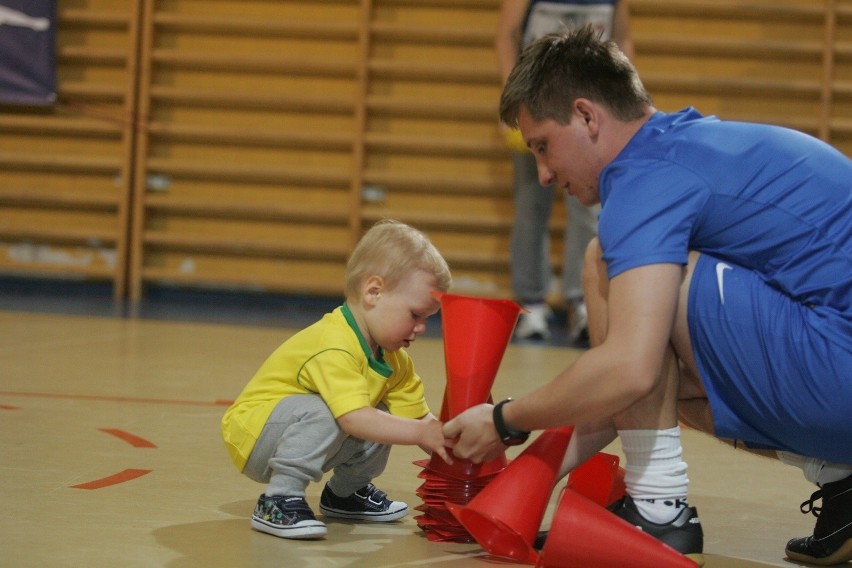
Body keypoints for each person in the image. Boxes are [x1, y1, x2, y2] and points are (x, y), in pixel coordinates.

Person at [445, 26, 852, 567]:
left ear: (588, 117)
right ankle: (844, 480)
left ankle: (660, 511)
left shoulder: (644, 180)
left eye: (543, 146)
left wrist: (503, 420)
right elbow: (637, 395)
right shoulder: (684, 144)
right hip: (834, 356)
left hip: (839, 365)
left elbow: (628, 371)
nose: (543, 173)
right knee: (664, 377)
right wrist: (526, 475)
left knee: (608, 274)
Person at [221, 219, 454, 540]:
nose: (421, 328)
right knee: (339, 412)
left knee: (384, 417)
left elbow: (418, 421)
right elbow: (354, 419)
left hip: (298, 433)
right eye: (415, 315)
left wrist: (454, 451)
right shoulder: (335, 344)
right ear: (374, 292)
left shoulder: (395, 360)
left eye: (427, 320)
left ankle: (344, 495)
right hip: (255, 436)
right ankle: (276, 500)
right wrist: (425, 431)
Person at [495, 0, 634, 343]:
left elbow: (623, 40)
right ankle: (532, 304)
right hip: (538, 110)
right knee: (531, 207)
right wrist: (512, 103)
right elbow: (506, 36)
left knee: (590, 209)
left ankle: (583, 304)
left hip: (590, 119)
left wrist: (625, 101)